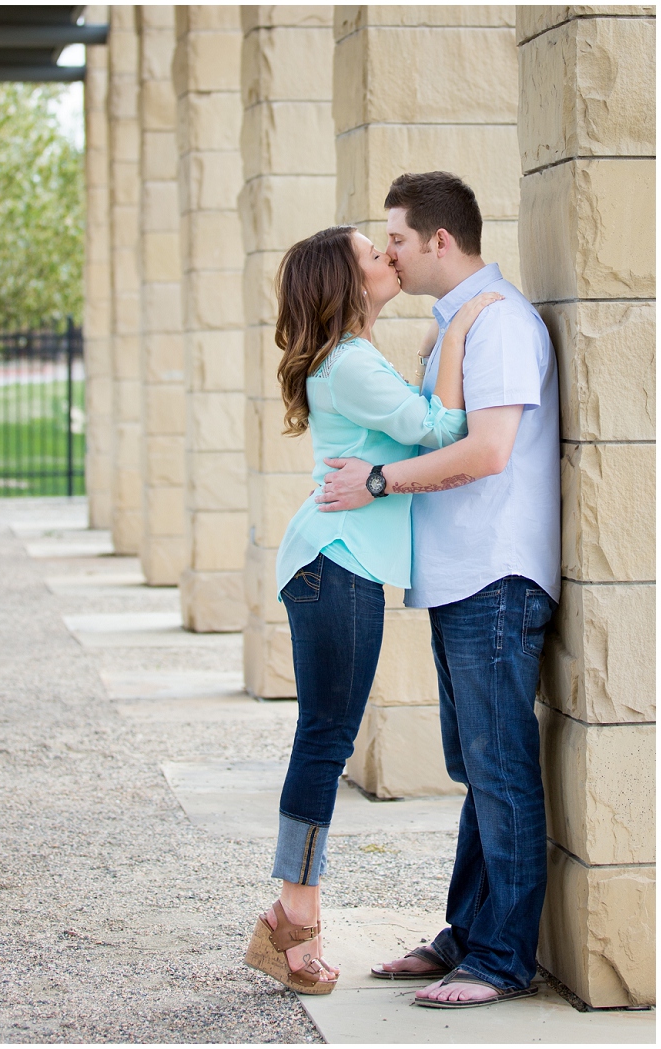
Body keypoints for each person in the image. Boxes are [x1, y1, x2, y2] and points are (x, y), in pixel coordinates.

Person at [317, 171, 559, 1009]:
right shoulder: (458, 324)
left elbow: (488, 451)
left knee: (500, 770)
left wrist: (378, 481)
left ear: (439, 243)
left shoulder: (496, 324)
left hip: (496, 576)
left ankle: (501, 959)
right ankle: (467, 933)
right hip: (462, 578)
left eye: (396, 240)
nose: (387, 252)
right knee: (474, 764)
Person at [242, 224, 502, 996]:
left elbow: (412, 434)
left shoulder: (352, 360)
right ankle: (295, 921)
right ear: (345, 284)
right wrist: (457, 333)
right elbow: (443, 430)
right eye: (371, 254)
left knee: (325, 737)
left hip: (337, 562)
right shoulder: (349, 364)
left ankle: (289, 914)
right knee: (326, 740)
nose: (388, 257)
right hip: (337, 562)